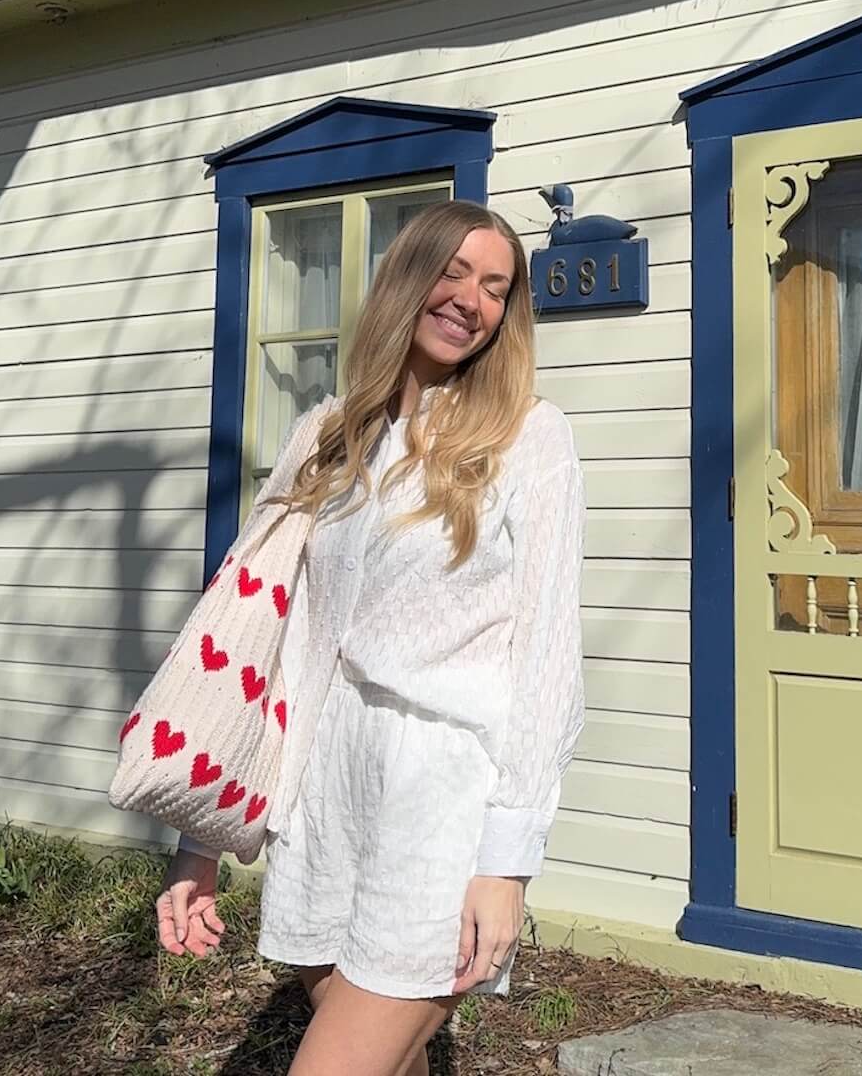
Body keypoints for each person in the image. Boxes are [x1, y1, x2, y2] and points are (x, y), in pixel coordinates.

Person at [154, 200, 586, 1076]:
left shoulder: (529, 437)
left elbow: (548, 661)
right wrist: (200, 843)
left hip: (440, 792)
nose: (471, 300)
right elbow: (263, 635)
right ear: (405, 278)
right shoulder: (326, 434)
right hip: (324, 790)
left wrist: (506, 866)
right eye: (453, 273)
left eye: (495, 287)